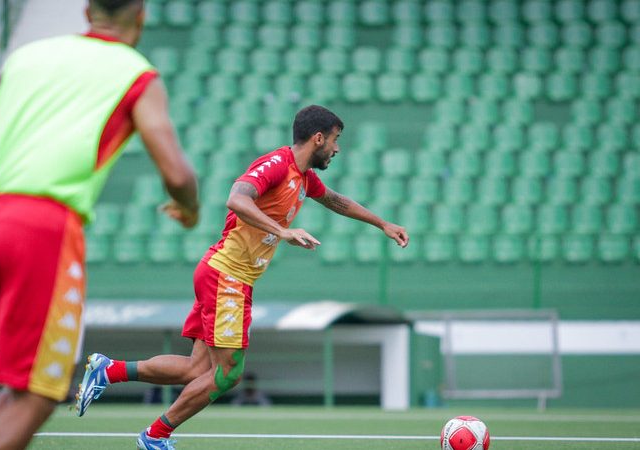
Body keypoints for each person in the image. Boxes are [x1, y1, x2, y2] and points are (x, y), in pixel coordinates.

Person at [75, 105, 409, 450]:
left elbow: (336, 201)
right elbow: (236, 199)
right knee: (228, 373)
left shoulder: (305, 178)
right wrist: (283, 231)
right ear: (319, 138)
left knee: (196, 369)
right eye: (336, 140)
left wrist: (383, 223)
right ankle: (155, 436)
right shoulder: (278, 164)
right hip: (227, 276)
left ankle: (109, 370)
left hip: (225, 275)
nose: (337, 148)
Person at [0, 0, 199, 448]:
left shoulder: (27, 56)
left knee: (22, 387)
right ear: (140, 15)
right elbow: (177, 174)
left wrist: (15, 195)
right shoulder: (136, 74)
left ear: (87, 11)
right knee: (43, 393)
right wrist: (189, 209)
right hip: (43, 230)